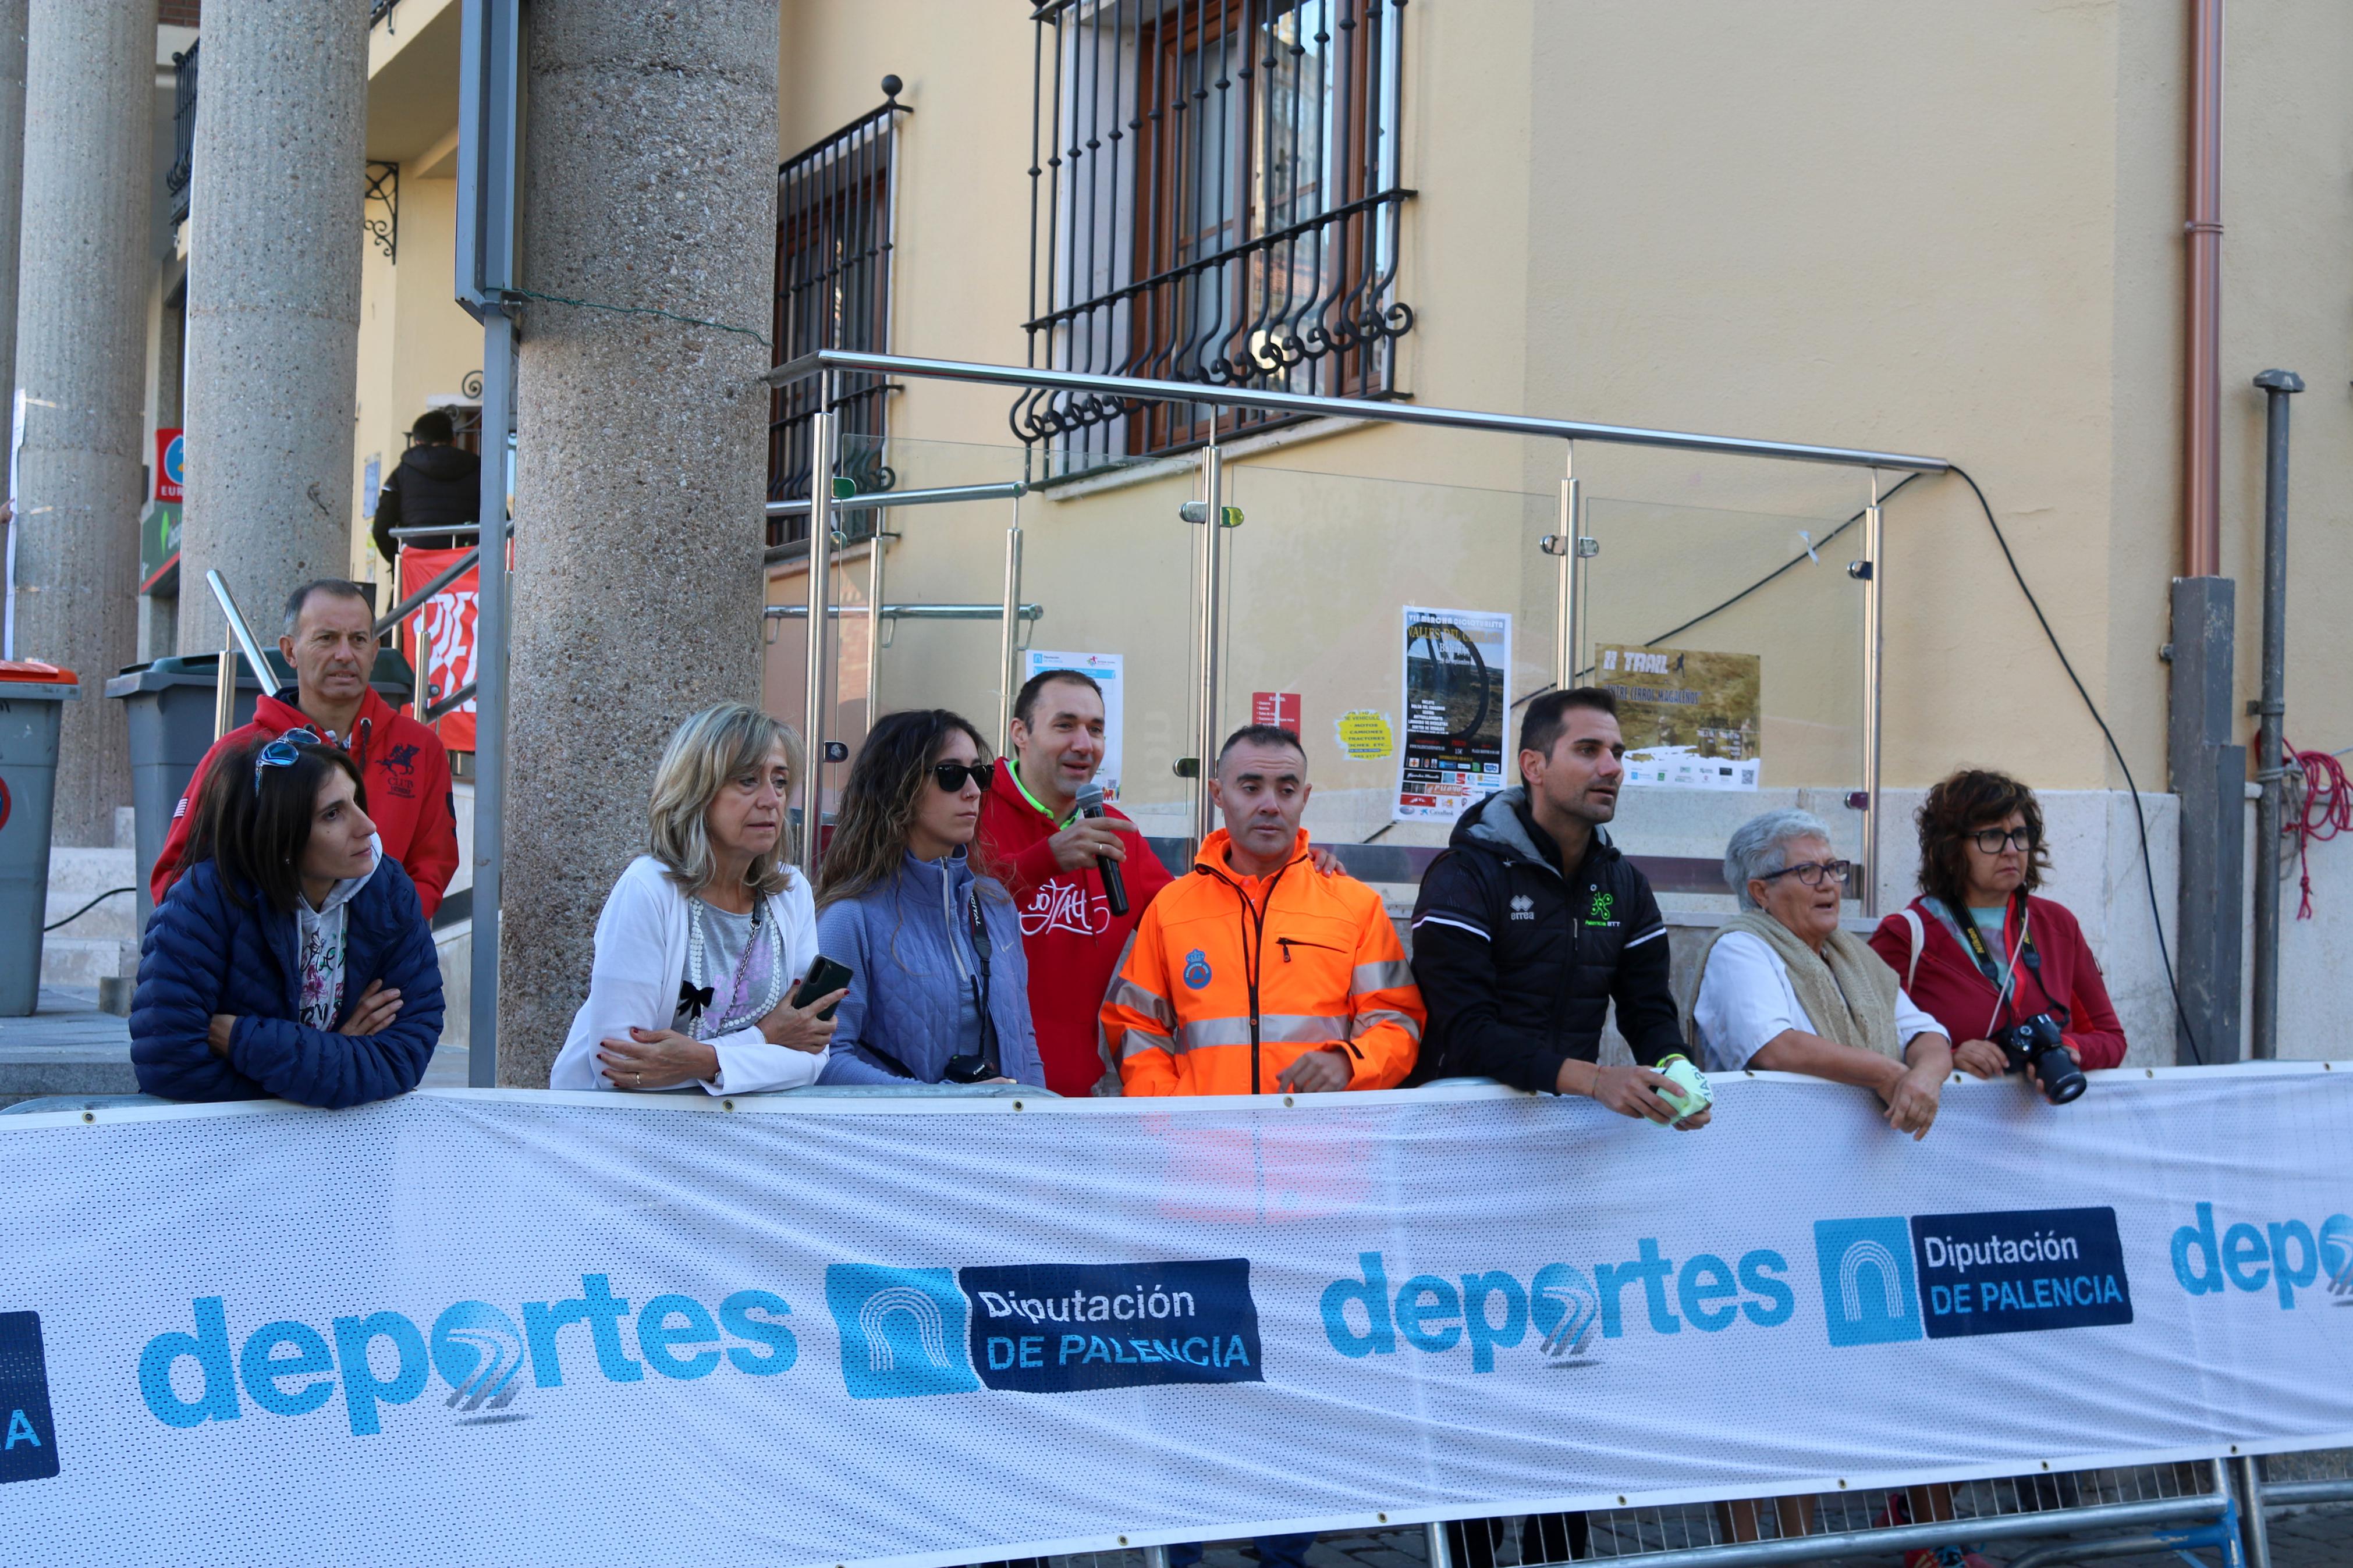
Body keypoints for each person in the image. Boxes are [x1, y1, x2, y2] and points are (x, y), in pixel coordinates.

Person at [1410, 687, 1709, 1128]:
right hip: (1457, 1124)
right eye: (1588, 750)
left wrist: (1677, 1074)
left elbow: (1647, 1011)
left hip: (1562, 1122)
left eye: (1617, 753)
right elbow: (1467, 1031)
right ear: (1534, 766)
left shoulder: (1624, 883)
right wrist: (1594, 1080)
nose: (1611, 768)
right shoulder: (1463, 875)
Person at [1102, 724, 1424, 1096]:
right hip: (1205, 1147)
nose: (1270, 804)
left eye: (1286, 790)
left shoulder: (1356, 906)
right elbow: (1132, 1022)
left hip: (1321, 1146)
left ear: (1304, 798)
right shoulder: (1172, 908)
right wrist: (1167, 1108)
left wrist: (1350, 1063)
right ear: (1218, 794)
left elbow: (1398, 1022)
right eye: (1251, 788)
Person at [129, 733, 442, 1107]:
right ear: (282, 836)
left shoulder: (389, 891)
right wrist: (336, 1059)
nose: (368, 826)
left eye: (356, 801)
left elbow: (404, 1057)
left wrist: (243, 1041)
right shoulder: (203, 901)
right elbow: (167, 1066)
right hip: (223, 1150)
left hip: (345, 1146)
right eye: (333, 814)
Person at [550, 705, 843, 1096]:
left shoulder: (791, 892)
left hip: (743, 1136)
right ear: (698, 791)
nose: (771, 799)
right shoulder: (647, 889)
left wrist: (705, 1060)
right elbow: (619, 1067)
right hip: (624, 1139)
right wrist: (763, 1039)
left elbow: (811, 1055)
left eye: (779, 780)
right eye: (746, 780)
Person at [151, 579, 461, 920]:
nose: (345, 654)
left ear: (374, 652)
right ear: (290, 652)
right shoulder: (240, 753)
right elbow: (176, 878)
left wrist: (381, 952)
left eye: (358, 640)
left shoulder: (421, 748)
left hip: (379, 965)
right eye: (327, 638)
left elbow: (432, 869)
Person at [815, 709, 1046, 1088]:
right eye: (951, 774)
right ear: (898, 786)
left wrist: (1037, 1124)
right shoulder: (847, 918)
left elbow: (1025, 1043)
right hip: (903, 1144)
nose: (973, 790)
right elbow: (823, 1059)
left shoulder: (995, 904)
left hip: (1006, 1142)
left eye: (980, 773)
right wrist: (937, 1104)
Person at [1690, 809, 1953, 1135]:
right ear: (1761, 892)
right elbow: (1775, 1048)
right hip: (1773, 1152)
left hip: (1862, 1155)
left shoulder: (1854, 957)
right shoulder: (1739, 949)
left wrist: (1925, 1076)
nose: (1828, 884)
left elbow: (1925, 1033)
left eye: (1832, 869)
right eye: (1808, 871)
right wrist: (1887, 1074)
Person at [977, 668, 1175, 1095]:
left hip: (1075, 1097)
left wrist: (1295, 867)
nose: (1084, 744)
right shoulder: (971, 808)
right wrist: (1044, 860)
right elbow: (940, 907)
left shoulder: (1119, 833)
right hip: (977, 1093)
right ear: (1020, 732)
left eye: (1096, 730)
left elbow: (1194, 917)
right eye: (1065, 725)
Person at [1869, 767, 2127, 1086]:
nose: (2011, 850)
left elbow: (2111, 1038)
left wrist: (2069, 1049)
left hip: (2045, 1125)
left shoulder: (2058, 925)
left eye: (2020, 835)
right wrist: (1946, 1056)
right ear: (1951, 848)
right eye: (1991, 836)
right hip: (1941, 1125)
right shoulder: (1904, 935)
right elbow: (1869, 1040)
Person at [371, 408, 481, 564]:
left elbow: (381, 529)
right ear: (453, 440)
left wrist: (400, 561)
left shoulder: (402, 473)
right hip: (463, 567)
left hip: (416, 568)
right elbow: (500, 523)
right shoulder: (479, 471)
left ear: (418, 443)